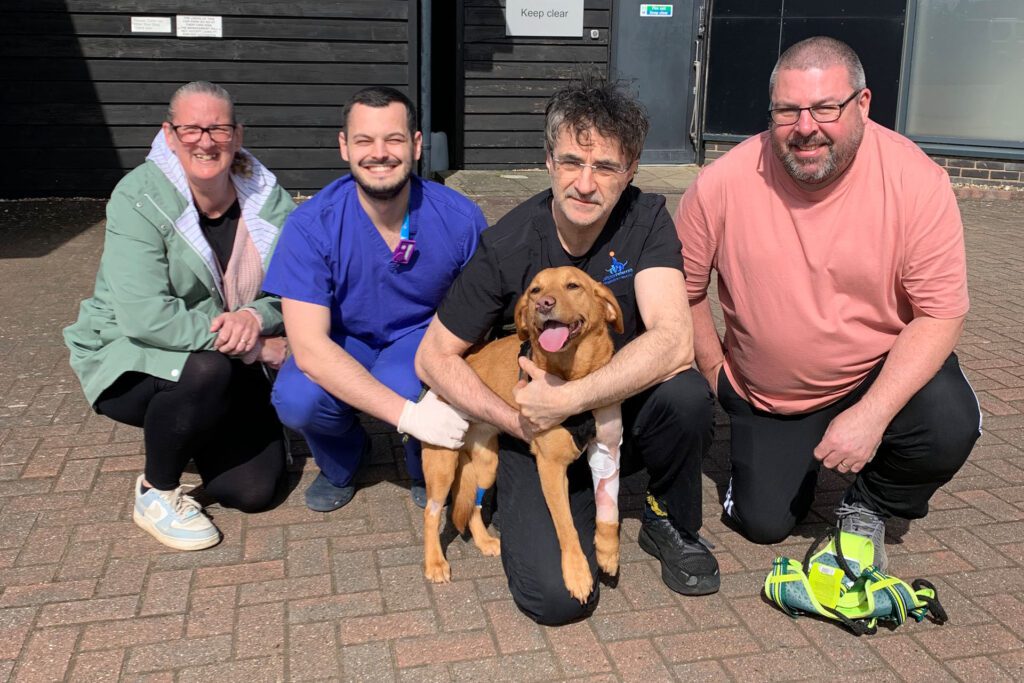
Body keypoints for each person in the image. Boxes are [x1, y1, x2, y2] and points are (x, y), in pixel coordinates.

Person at [416, 76, 719, 626]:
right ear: (549, 162)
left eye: (605, 167)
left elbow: (676, 341)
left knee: (687, 395)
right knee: (556, 600)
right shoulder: (507, 244)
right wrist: (515, 418)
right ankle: (518, 496)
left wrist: (571, 399)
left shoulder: (647, 219)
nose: (585, 183)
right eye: (572, 162)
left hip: (613, 404)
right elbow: (432, 357)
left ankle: (668, 519)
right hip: (532, 423)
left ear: (630, 171)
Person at [675, 36, 981, 567]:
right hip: (771, 395)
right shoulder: (721, 183)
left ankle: (870, 503)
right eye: (787, 110)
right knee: (764, 525)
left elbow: (940, 313)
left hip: (872, 372)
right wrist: (713, 371)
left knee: (949, 422)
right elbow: (683, 289)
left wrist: (872, 416)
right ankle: (780, 460)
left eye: (825, 108)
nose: (805, 127)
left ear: (862, 104)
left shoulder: (915, 181)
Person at [64, 81, 295, 551]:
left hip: (224, 357)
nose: (205, 141)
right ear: (169, 135)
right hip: (132, 356)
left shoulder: (269, 200)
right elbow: (146, 317)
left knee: (252, 491)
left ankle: (194, 424)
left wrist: (255, 315)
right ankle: (156, 491)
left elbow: (293, 287)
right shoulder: (139, 197)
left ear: (237, 135)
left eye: (219, 129)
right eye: (191, 129)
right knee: (204, 371)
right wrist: (253, 345)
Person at [264, 87, 486, 513]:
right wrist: (406, 416)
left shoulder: (460, 219)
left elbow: (480, 316)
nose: (379, 153)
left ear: (416, 145)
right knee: (296, 399)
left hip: (421, 338)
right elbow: (309, 348)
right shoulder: (309, 225)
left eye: (394, 139)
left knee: (422, 384)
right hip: (342, 337)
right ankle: (344, 458)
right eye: (364, 140)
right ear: (344, 146)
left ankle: (425, 465)